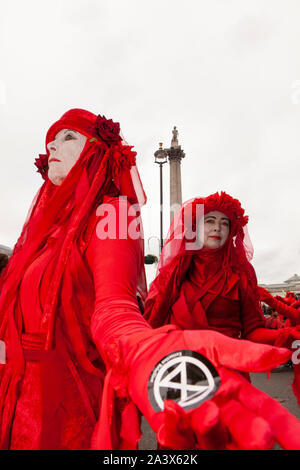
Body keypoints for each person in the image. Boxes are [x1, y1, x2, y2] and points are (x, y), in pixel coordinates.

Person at [0, 113, 299, 451]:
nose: (53, 144)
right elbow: (152, 318)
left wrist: (285, 337)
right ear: (193, 228)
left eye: (69, 136)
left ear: (98, 150)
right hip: (20, 393)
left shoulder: (113, 215)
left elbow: (116, 307)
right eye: (50, 140)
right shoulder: (44, 237)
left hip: (169, 383)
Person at [144, 192, 300, 402]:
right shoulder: (173, 272)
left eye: (224, 223)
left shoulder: (242, 275)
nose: (217, 227)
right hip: (181, 377)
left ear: (231, 231)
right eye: (209, 221)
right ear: (195, 228)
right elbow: (154, 325)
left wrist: (288, 334)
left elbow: (252, 330)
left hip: (229, 378)